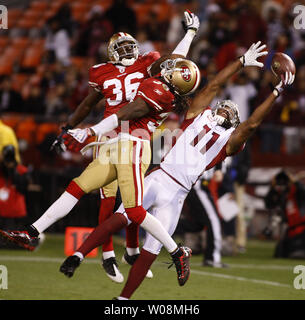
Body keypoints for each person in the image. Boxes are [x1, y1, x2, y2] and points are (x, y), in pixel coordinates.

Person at [59, 41, 293, 300]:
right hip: (159, 176)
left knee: (152, 249)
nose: (228, 108)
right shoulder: (198, 114)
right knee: (120, 216)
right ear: (215, 107)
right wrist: (240, 63)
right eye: (225, 105)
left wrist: (275, 92)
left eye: (233, 111)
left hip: (179, 194)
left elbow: (252, 124)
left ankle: (123, 299)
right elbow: (214, 85)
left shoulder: (231, 141)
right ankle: (78, 255)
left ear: (235, 122)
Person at [0, 56, 201, 287]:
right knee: (77, 186)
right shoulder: (165, 87)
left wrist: (90, 132)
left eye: (174, 70)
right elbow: (177, 58)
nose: (168, 67)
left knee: (134, 211)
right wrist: (190, 33)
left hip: (134, 147)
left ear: (174, 79)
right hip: (117, 144)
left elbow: (126, 113)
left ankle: (177, 252)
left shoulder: (160, 91)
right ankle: (32, 232)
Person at [54, 11, 200, 283]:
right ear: (111, 53)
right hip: (112, 133)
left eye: (130, 45)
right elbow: (87, 104)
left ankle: (131, 250)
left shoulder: (148, 63)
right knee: (109, 199)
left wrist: (189, 34)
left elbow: (175, 62)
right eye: (121, 48)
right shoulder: (101, 72)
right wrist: (69, 126)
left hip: (138, 134)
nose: (127, 50)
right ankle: (108, 255)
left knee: (135, 198)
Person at [264, 170, 305, 259]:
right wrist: (272, 188)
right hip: (292, 229)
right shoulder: (280, 195)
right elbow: (268, 203)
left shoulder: (297, 190)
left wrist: (295, 181)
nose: (281, 188)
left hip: (302, 228)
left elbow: (302, 191)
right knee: (280, 252)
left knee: (296, 249)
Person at [0, 145, 30, 232]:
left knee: (14, 237)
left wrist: (13, 170)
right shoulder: (2, 169)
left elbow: (23, 188)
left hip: (15, 210)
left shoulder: (20, 170)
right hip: (4, 209)